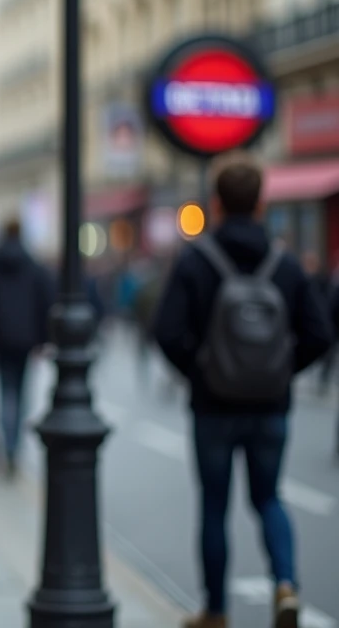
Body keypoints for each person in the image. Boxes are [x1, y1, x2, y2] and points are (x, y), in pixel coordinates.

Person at [152, 153, 332, 628]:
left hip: (213, 407)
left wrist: (200, 371)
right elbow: (319, 334)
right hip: (270, 405)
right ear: (260, 204)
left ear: (215, 204)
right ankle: (285, 584)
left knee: (215, 506)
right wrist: (282, 371)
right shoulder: (285, 264)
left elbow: (166, 331)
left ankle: (215, 611)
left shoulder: (196, 260)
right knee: (269, 497)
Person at [0, 217, 55, 477]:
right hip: (25, 339)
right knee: (20, 393)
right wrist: (42, 339)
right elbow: (45, 302)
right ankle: (13, 446)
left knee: (4, 391)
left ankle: (7, 445)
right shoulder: (33, 266)